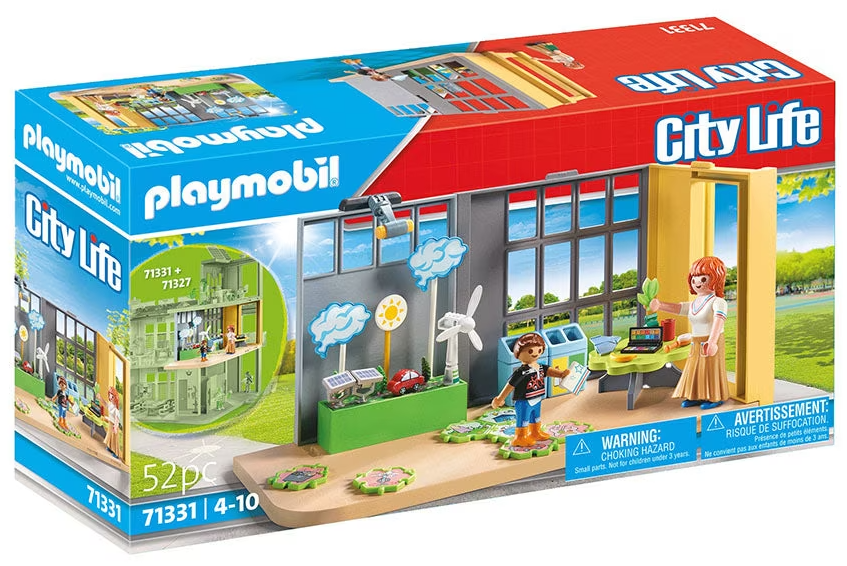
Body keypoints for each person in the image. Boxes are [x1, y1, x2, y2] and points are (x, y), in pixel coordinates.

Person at [650, 256, 729, 410]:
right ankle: (696, 396)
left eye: (703, 278)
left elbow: (719, 321)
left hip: (711, 340)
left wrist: (712, 342)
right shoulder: (694, 303)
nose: (697, 282)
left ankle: (715, 396)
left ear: (716, 279)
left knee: (711, 369)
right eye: (694, 278)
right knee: (695, 369)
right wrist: (660, 305)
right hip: (696, 341)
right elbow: (679, 308)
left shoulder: (718, 302)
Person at [491, 332, 570, 446]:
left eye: (539, 350)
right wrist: (500, 398)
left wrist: (561, 374)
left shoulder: (540, 367)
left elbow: (549, 371)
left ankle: (535, 432)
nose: (535, 353)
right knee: (523, 419)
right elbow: (510, 385)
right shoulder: (521, 372)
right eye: (530, 351)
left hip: (537, 398)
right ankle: (520, 437)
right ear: (518, 353)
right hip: (524, 401)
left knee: (536, 417)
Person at [102, 387, 121, 459]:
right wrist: (100, 398)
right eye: (109, 396)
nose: (110, 398)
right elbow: (105, 404)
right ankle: (110, 447)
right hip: (110, 423)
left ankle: (116, 453)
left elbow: (116, 419)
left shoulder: (116, 409)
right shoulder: (111, 405)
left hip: (113, 425)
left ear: (115, 398)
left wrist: (115, 427)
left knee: (114, 439)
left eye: (112, 396)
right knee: (110, 436)